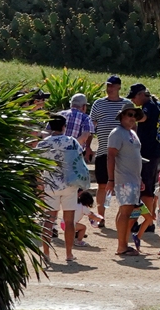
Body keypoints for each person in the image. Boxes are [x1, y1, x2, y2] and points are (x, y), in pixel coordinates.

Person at [36, 114, 87, 263]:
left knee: (49, 220)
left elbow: (37, 166)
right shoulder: (71, 142)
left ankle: (46, 253)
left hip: (50, 184)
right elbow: (80, 162)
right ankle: (69, 254)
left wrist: (40, 182)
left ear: (50, 126)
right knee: (69, 220)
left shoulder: (43, 143)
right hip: (69, 184)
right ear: (64, 126)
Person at [87, 75, 128, 225]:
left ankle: (123, 218)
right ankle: (101, 217)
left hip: (123, 154)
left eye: (112, 85)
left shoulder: (126, 104)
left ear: (119, 87)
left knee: (123, 185)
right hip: (103, 151)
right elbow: (91, 127)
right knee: (102, 185)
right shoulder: (98, 104)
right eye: (108, 85)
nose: (109, 88)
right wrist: (88, 146)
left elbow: (133, 126)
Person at [128, 84, 160, 251]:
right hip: (154, 150)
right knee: (147, 187)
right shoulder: (158, 105)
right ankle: (146, 221)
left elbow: (142, 118)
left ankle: (145, 221)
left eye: (134, 97)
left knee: (144, 189)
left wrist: (128, 115)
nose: (133, 100)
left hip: (147, 152)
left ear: (142, 94)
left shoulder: (149, 107)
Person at [107, 105, 146, 258]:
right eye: (129, 114)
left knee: (125, 212)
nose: (132, 117)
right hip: (124, 179)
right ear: (122, 116)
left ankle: (122, 244)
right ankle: (121, 246)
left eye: (135, 115)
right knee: (125, 212)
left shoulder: (132, 133)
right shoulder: (117, 133)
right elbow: (110, 156)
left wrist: (140, 178)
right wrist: (111, 179)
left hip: (133, 179)